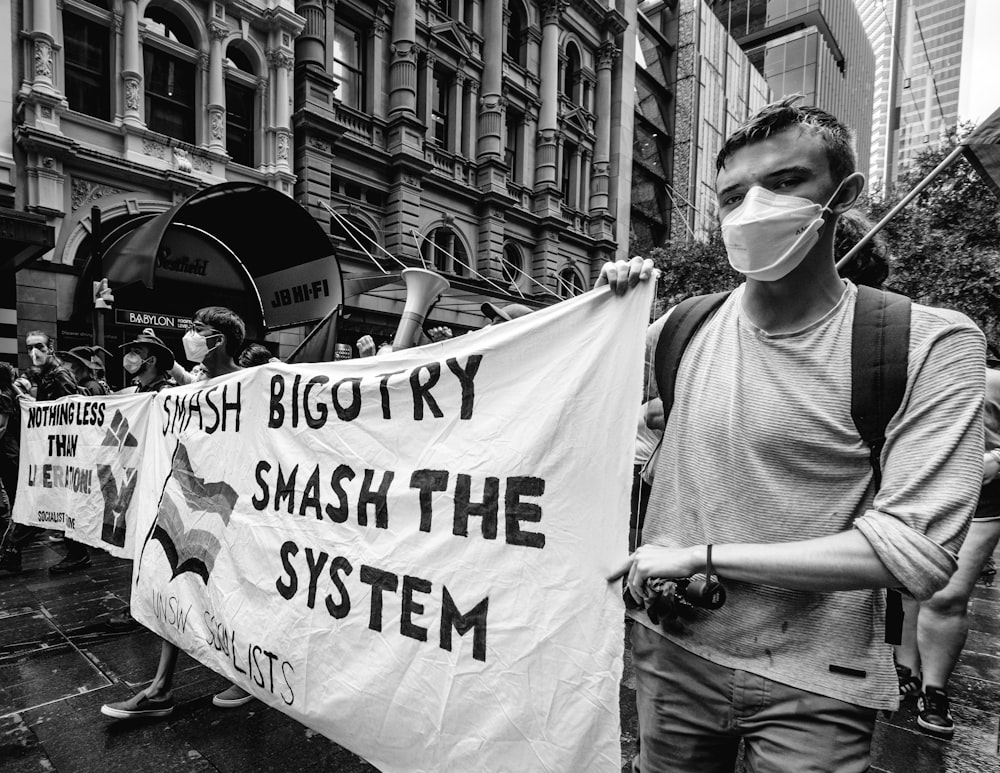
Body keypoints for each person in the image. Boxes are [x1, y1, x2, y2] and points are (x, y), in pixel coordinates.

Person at [602, 97, 985, 772]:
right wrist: (607, 314)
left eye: (784, 183)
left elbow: (918, 553)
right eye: (731, 195)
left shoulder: (930, 342)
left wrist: (702, 556)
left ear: (844, 195)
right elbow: (553, 410)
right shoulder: (678, 331)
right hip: (671, 653)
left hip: (817, 678)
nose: (753, 208)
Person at [102, 307, 253, 719]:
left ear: (218, 340)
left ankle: (249, 676)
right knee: (174, 580)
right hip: (194, 497)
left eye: (197, 330)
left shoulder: (251, 382)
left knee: (233, 590)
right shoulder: (197, 383)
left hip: (237, 503)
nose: (190, 335)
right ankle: (161, 687)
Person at [891, 365, 1000, 737]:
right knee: (905, 582)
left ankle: (934, 689)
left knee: (948, 596)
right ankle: (905, 668)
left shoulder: (993, 381)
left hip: (982, 503)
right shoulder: (903, 366)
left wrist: (997, 460)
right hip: (917, 491)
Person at [0, 331, 93, 574]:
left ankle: (12, 550)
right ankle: (77, 553)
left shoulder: (59, 375)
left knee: (45, 499)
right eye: (29, 347)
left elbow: (69, 411)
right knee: (55, 501)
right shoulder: (43, 375)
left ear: (50, 347)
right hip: (52, 450)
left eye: (39, 346)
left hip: (60, 451)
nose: (34, 352)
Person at [0, 363, 21, 540]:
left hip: (7, 452)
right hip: (11, 451)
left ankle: (15, 534)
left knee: (12, 492)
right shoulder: (12, 392)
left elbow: (1, 427)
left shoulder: (4, 396)